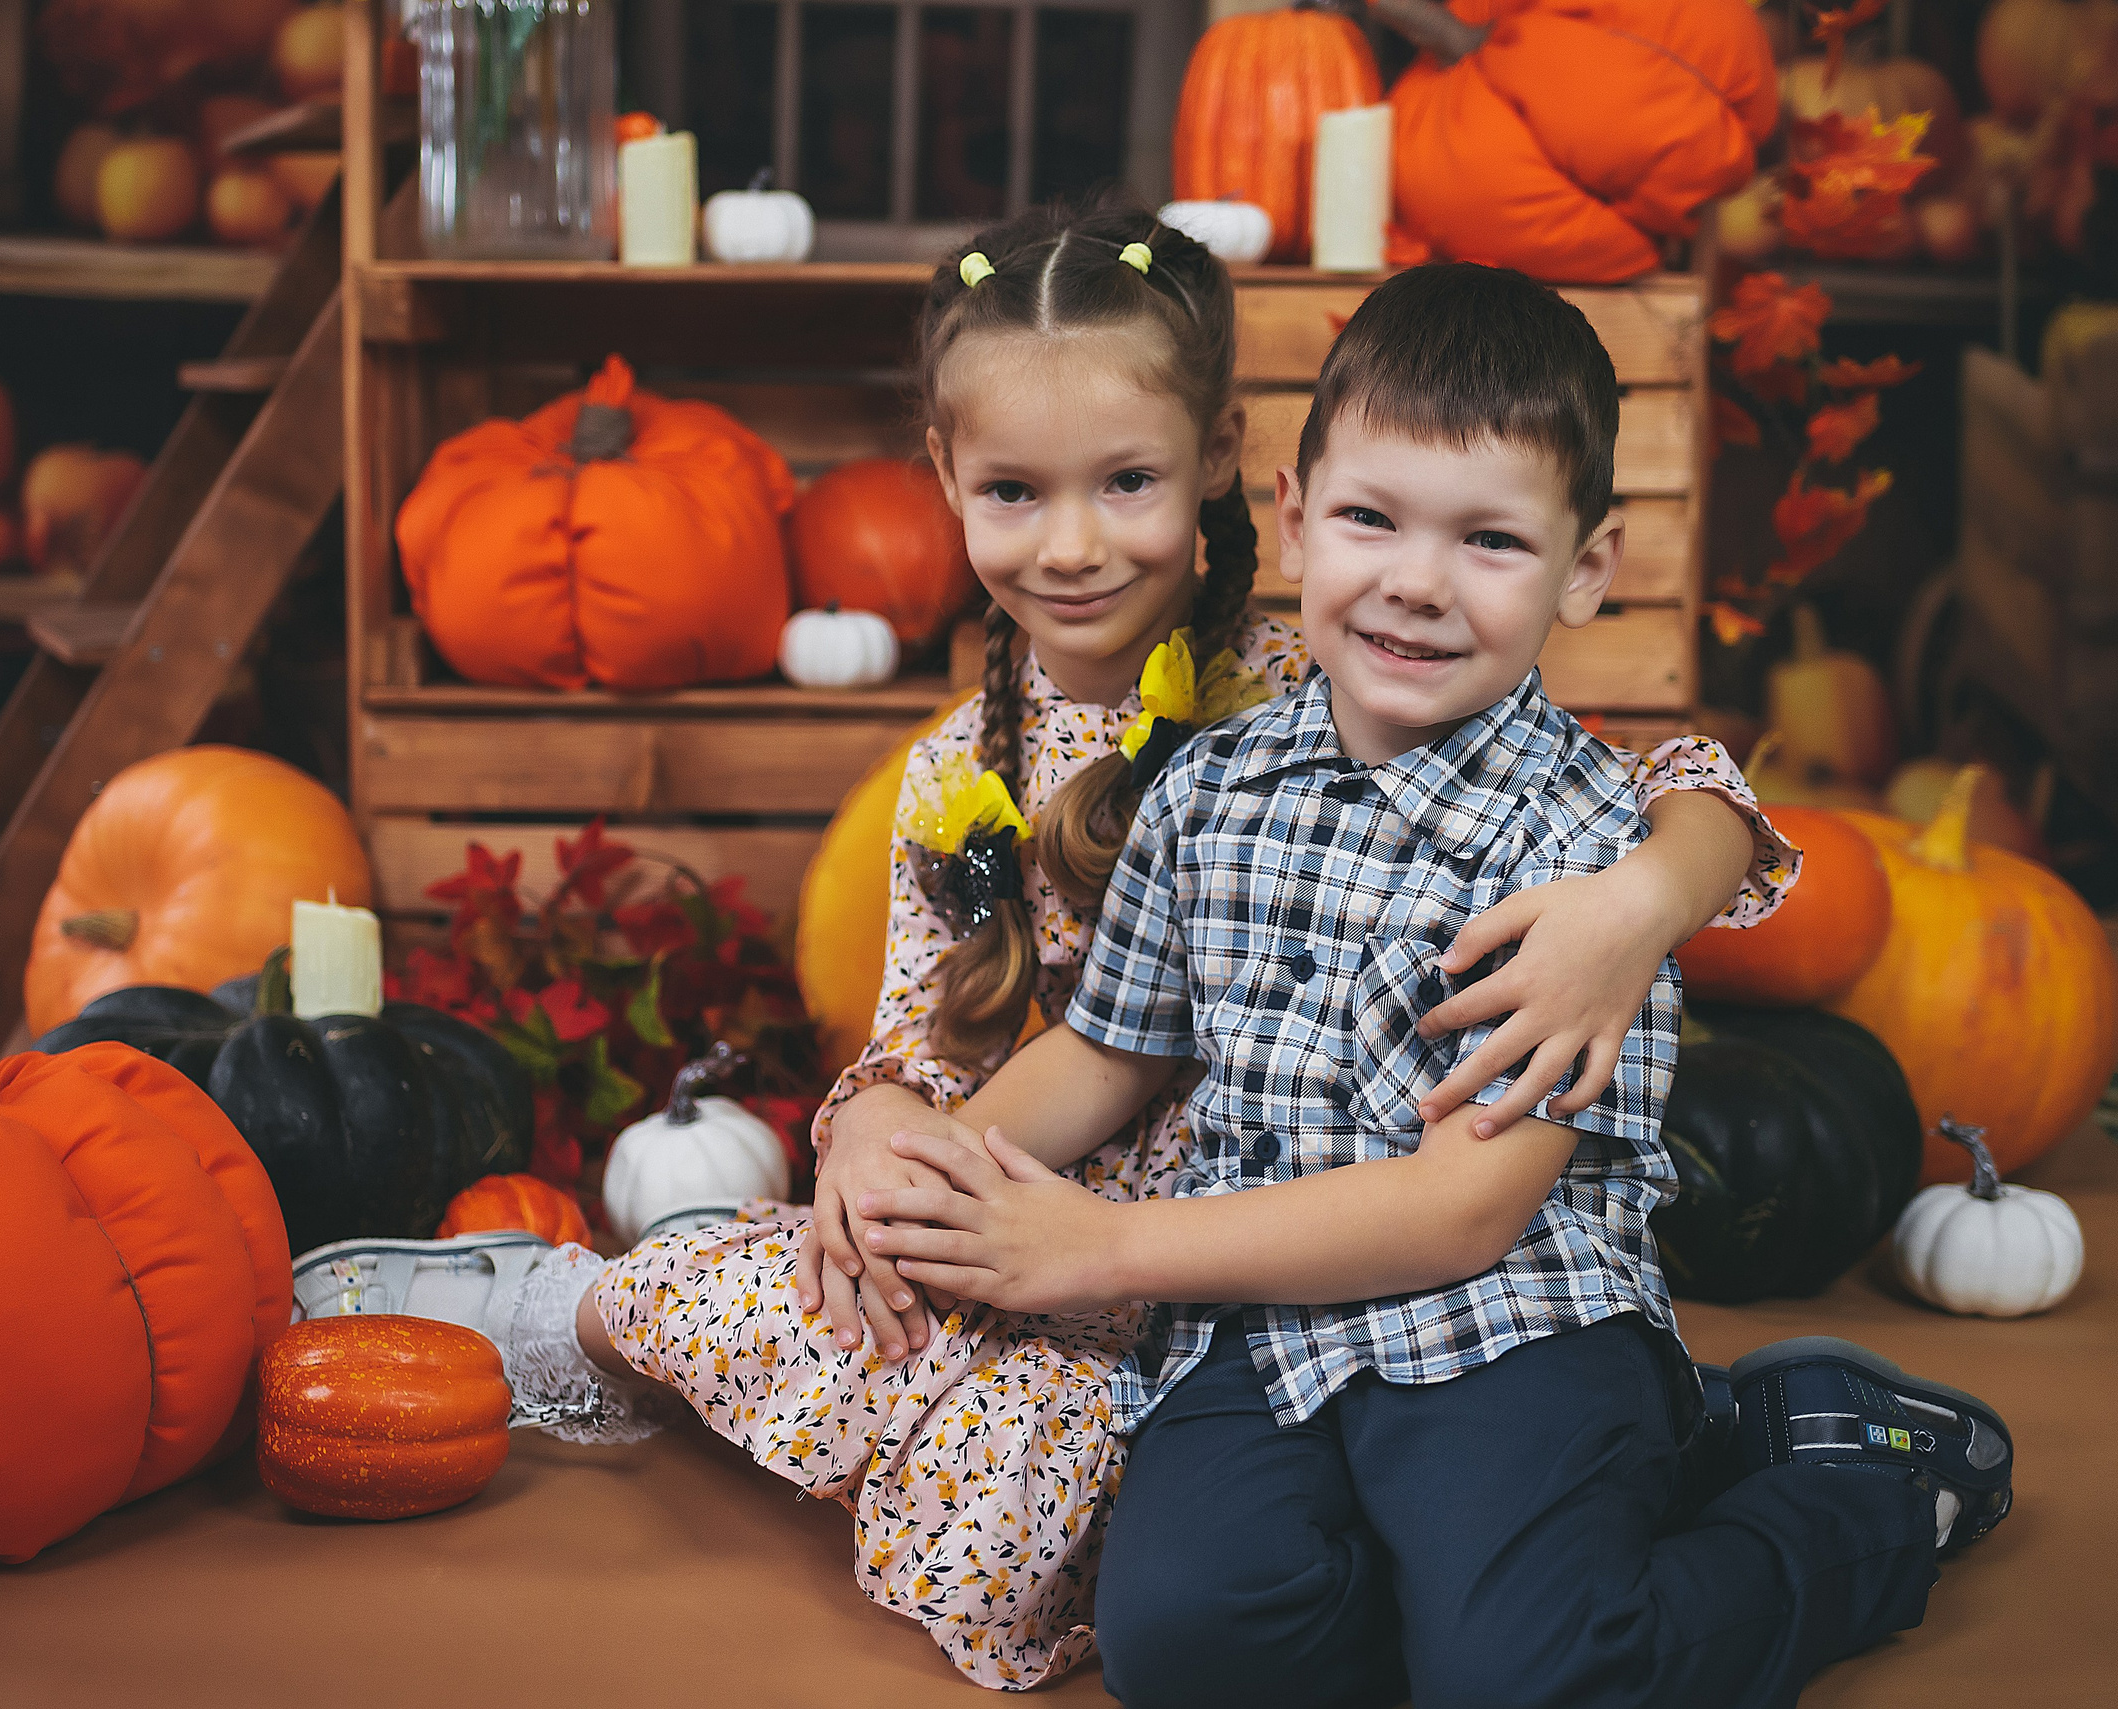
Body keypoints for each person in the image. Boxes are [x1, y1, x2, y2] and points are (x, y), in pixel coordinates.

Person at [292, 202, 1799, 1689]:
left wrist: (1641, 903)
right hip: (1047, 1197)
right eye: (1015, 491)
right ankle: (577, 1317)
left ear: (1221, 465)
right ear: (947, 478)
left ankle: (1532, 1549)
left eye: (1126, 481)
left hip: (1236, 1236)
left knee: (1047, 1535)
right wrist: (888, 1157)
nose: (1074, 545)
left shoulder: (1325, 676)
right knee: (828, 1287)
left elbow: (1667, 790)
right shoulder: (999, 768)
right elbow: (979, 1042)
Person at [848, 257, 2015, 1709]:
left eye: (1491, 540)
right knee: (1187, 1647)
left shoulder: (1586, 858)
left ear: (1587, 566)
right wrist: (932, 1173)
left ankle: (1855, 1509)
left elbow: (1465, 1209)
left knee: (1532, 1680)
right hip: (1260, 1326)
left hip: (1505, 1322)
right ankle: (1527, 1565)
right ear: (1292, 515)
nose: (1414, 580)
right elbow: (1112, 1048)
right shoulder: (1208, 788)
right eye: (1371, 519)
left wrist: (1096, 1248)